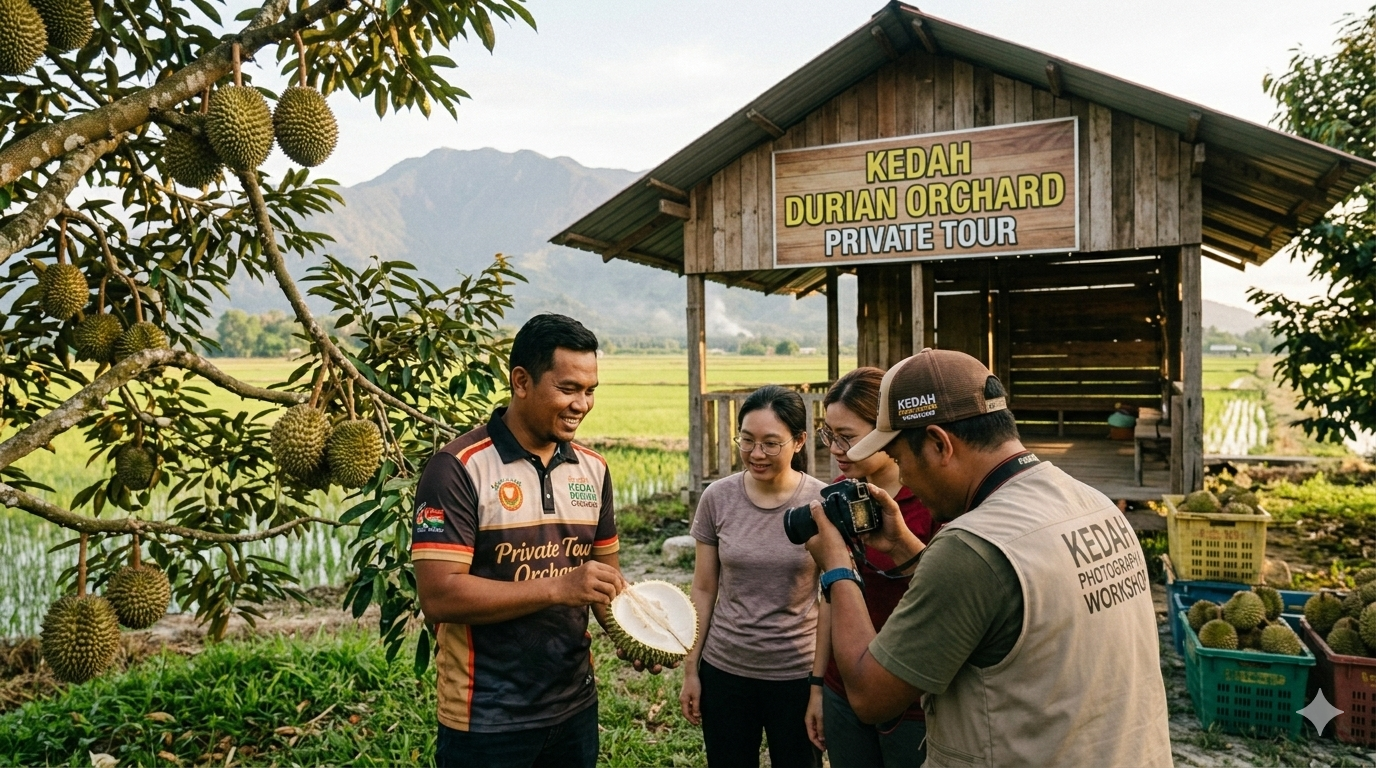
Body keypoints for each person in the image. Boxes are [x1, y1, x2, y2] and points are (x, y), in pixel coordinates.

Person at [803, 349, 1171, 768]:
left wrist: (837, 565)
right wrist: (904, 547)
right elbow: (997, 608)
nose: (903, 478)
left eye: (902, 459)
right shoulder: (1093, 504)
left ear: (940, 444)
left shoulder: (972, 546)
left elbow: (869, 698)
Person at [412, 313, 631, 768]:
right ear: (521, 381)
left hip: (573, 706)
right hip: (485, 717)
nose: (582, 404)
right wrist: (559, 586)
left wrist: (635, 634)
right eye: (568, 389)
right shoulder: (457, 468)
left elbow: (605, 582)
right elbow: (439, 596)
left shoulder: (593, 469)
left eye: (590, 391)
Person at [679, 385, 825, 768]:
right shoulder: (717, 498)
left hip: (796, 673)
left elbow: (831, 601)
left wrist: (820, 686)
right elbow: (704, 588)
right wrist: (692, 668)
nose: (756, 454)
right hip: (725, 670)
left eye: (771, 443)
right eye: (747, 440)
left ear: (799, 441)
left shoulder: (821, 504)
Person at [805, 367, 937, 768]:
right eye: (829, 436)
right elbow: (832, 598)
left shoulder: (933, 502)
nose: (836, 449)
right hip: (842, 688)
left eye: (847, 437)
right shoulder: (842, 496)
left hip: (912, 698)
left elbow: (946, 594)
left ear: (888, 432)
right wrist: (817, 686)